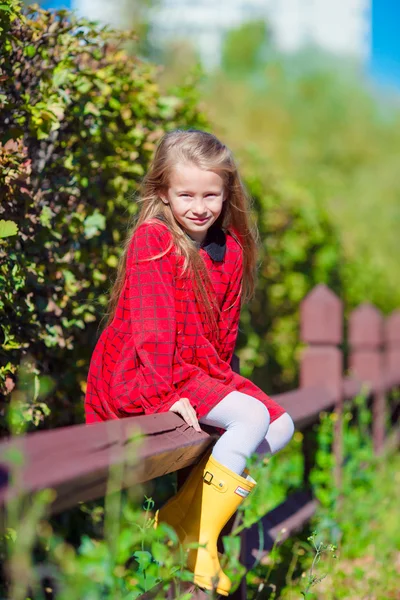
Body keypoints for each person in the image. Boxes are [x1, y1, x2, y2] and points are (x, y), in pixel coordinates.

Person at [84, 129, 294, 596]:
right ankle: (199, 540)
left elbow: (224, 336)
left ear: (226, 194)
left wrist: (221, 392)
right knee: (251, 416)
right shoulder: (154, 241)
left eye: (211, 195)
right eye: (186, 194)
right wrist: (166, 398)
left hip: (199, 370)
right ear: (163, 192)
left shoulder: (231, 251)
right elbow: (152, 335)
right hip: (149, 371)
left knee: (278, 427)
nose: (199, 206)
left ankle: (181, 517)